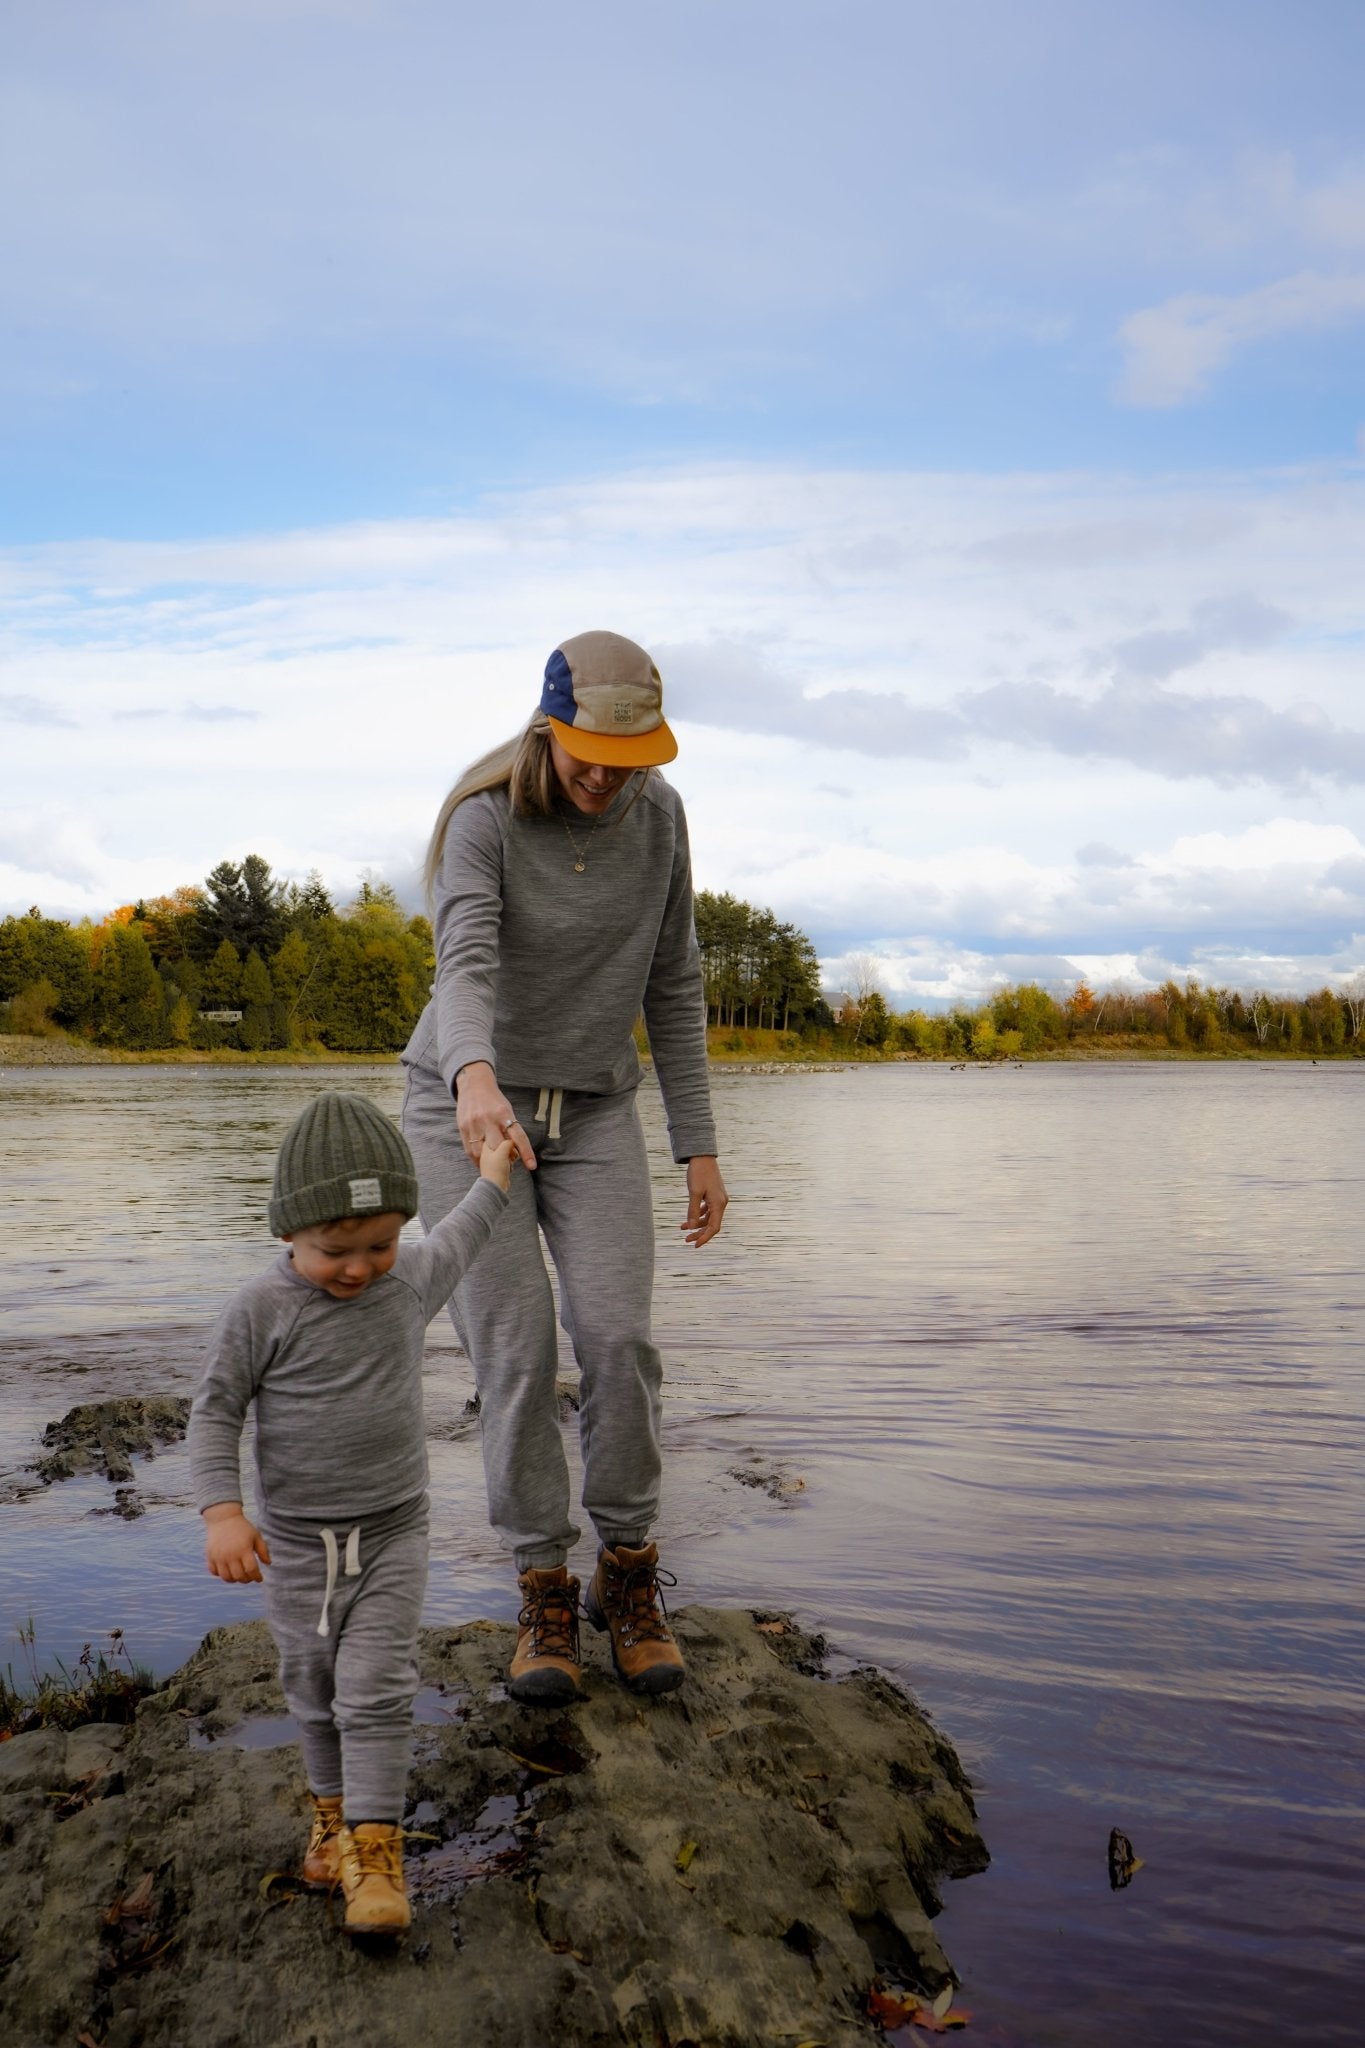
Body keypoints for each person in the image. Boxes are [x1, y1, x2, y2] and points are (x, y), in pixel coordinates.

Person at [400, 628, 727, 1706]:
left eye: (629, 757)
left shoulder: (663, 820)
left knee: (619, 1333)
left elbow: (673, 983)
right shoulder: (486, 820)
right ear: (548, 726)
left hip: (592, 1109)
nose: (605, 773)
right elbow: (468, 961)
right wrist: (476, 1080)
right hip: (468, 1104)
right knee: (515, 1347)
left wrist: (700, 1145)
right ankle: (542, 1586)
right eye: (588, 749)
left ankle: (625, 1576)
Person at [188, 1090, 514, 1937]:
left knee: (373, 1688)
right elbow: (216, 1409)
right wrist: (224, 1513)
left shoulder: (408, 1277)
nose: (360, 1267)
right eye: (335, 1250)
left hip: (395, 1530)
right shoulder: (259, 1310)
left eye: (380, 1243)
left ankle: (377, 1853)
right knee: (312, 1687)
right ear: (288, 1233)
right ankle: (330, 1816)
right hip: (296, 1542)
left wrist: (492, 1172)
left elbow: (466, 1233)